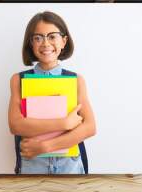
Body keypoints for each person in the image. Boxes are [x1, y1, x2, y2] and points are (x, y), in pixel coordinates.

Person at [8, 11, 96, 174]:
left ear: (64, 41)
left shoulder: (77, 80)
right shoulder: (18, 80)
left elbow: (90, 127)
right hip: (32, 164)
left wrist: (44, 146)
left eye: (52, 36)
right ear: (31, 44)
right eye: (38, 38)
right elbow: (16, 125)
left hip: (70, 164)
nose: (45, 43)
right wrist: (65, 123)